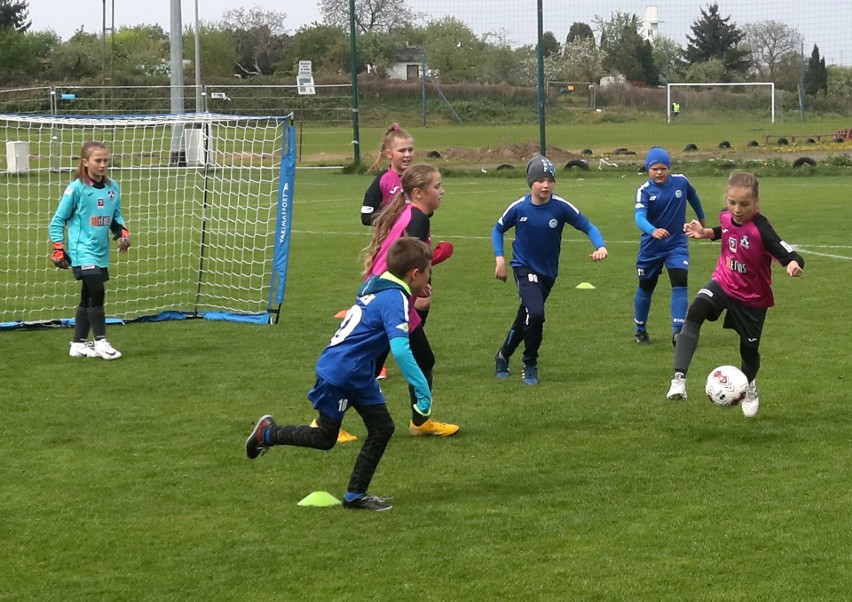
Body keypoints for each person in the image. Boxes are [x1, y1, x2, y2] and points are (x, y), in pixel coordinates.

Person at [245, 237, 436, 511]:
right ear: (415, 273)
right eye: (428, 272)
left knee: (382, 428)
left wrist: (415, 290)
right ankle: (267, 434)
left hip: (358, 373)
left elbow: (387, 302)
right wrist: (422, 389)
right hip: (342, 372)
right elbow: (402, 350)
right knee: (325, 438)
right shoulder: (395, 298)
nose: (430, 277)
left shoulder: (381, 282)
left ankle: (355, 495)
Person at [666, 171, 804, 418]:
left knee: (748, 351)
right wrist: (705, 232)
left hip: (752, 298)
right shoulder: (727, 216)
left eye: (744, 204)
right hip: (724, 282)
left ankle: (749, 386)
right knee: (696, 310)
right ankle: (679, 380)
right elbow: (725, 229)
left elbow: (789, 253)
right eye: (732, 202)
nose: (737, 209)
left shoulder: (762, 228)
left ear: (756, 202)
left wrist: (793, 264)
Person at [492, 155, 608, 385]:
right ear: (530, 182)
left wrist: (601, 246)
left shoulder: (561, 207)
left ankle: (503, 355)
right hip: (523, 267)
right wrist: (500, 260)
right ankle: (530, 363)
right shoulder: (519, 207)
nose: (545, 185)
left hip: (548, 273)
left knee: (525, 317)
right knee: (536, 314)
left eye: (550, 180)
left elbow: (588, 225)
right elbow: (498, 230)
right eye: (540, 180)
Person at [362, 164, 458, 436]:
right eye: (437, 187)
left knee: (423, 358)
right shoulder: (417, 218)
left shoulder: (409, 213)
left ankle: (420, 422)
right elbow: (409, 261)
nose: (442, 192)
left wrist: (419, 287)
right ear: (418, 192)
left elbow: (406, 265)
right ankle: (324, 422)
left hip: (395, 294)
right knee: (367, 365)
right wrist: (440, 253)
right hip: (388, 299)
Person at [49, 140, 130, 360]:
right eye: (98, 160)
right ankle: (101, 341)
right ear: (85, 162)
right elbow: (57, 221)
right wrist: (58, 247)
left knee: (87, 297)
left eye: (106, 160)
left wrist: (123, 233)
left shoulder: (113, 188)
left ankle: (78, 344)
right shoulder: (76, 188)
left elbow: (115, 217)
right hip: (81, 250)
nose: (103, 164)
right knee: (97, 290)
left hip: (100, 250)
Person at [633, 147, 706, 346]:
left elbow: (694, 197)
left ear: (669, 168)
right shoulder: (644, 191)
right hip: (651, 247)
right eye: (655, 168)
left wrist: (702, 218)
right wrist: (652, 230)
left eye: (663, 168)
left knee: (680, 281)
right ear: (648, 169)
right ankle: (640, 329)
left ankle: (678, 331)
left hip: (676, 244)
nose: (659, 172)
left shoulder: (681, 182)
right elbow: (639, 217)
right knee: (646, 287)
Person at [360, 123, 415, 227]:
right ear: (389, 154)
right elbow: (366, 216)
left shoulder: (417, 178)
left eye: (410, 150)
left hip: (416, 240)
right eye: (402, 150)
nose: (407, 155)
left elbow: (428, 211)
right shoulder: (383, 180)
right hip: (391, 241)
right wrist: (394, 220)